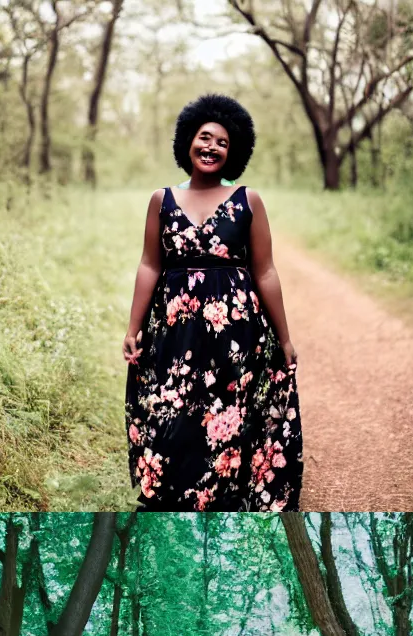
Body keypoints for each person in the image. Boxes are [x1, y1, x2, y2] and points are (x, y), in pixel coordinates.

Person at [124, 93, 302, 511]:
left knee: (229, 414)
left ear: (233, 151)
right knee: (173, 407)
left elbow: (266, 272)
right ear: (188, 141)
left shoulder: (248, 200)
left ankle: (226, 495)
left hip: (236, 330)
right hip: (173, 329)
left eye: (222, 142)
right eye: (205, 138)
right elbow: (150, 265)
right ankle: (176, 493)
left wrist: (286, 338)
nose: (211, 147)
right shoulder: (160, 200)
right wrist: (132, 329)